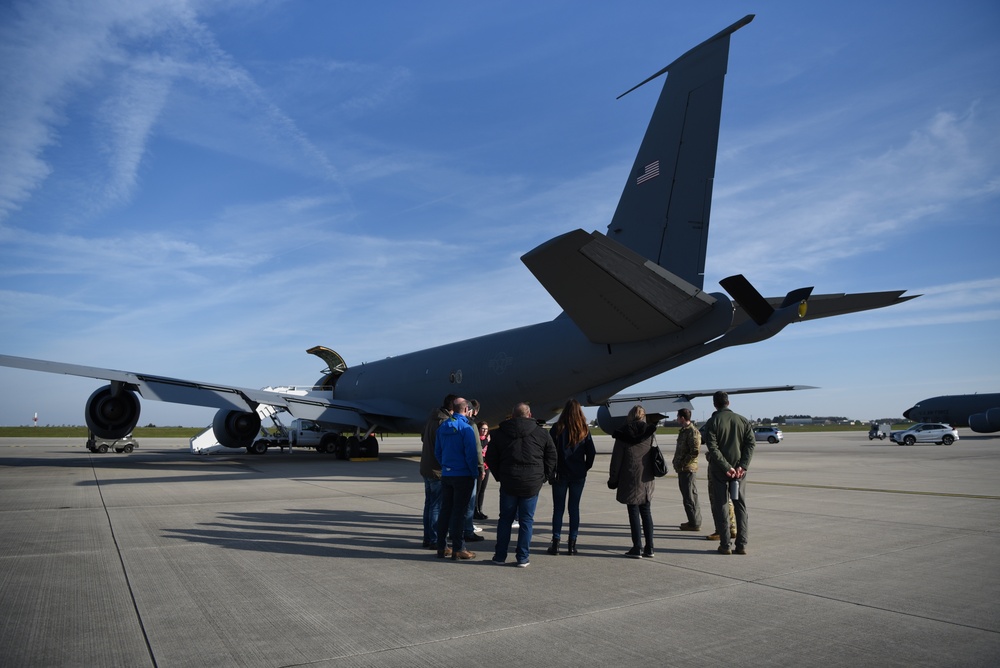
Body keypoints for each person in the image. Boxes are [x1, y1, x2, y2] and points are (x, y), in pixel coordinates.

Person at [486, 403, 556, 567]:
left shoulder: (500, 433)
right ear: (530, 414)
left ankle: (500, 556)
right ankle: (522, 557)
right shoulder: (541, 433)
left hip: (509, 481)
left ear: (513, 415)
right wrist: (543, 477)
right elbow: (552, 457)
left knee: (505, 520)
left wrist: (500, 476)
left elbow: (490, 457)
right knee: (526, 521)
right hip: (531, 483)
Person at [703, 391, 755, 555]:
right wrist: (742, 466)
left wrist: (726, 467)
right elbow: (750, 444)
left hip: (720, 471)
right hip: (739, 472)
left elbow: (713, 448)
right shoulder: (742, 420)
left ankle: (725, 545)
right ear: (728, 403)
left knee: (722, 506)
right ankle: (742, 544)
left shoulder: (713, 422)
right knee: (740, 506)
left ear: (715, 404)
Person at [435, 398, 484, 560]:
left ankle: (442, 546)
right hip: (462, 475)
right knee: (459, 513)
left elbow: (438, 451)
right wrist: (473, 473)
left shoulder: (442, 427)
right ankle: (458, 548)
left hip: (447, 474)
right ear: (466, 410)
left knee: (445, 511)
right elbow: (471, 455)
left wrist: (446, 465)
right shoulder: (466, 428)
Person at [547, 399, 596, 555]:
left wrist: (551, 470)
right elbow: (591, 452)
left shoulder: (557, 428)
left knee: (558, 509)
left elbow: (550, 452)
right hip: (578, 474)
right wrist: (585, 467)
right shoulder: (584, 430)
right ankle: (572, 544)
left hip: (560, 473)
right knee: (574, 509)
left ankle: (555, 543)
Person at [608, 404, 658, 558]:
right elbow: (655, 454)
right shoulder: (650, 433)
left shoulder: (622, 434)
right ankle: (650, 547)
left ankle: (637, 547)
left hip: (629, 477)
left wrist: (613, 479)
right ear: (643, 416)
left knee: (633, 512)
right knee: (646, 511)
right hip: (646, 477)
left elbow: (616, 460)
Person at [419, 394, 455, 549]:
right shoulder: (444, 423)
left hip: (426, 467)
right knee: (436, 506)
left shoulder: (431, 419)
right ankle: (434, 539)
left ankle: (427, 537)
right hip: (437, 470)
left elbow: (422, 437)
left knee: (429, 505)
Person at [672, 407, 702, 532]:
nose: (677, 419)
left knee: (689, 496)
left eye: (678, 416)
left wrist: (682, 464)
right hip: (683, 468)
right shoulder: (684, 431)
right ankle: (693, 520)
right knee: (688, 496)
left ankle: (694, 523)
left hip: (687, 469)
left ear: (682, 418)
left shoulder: (692, 432)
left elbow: (694, 451)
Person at [474, 421, 491, 520]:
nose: (484, 431)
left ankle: (480, 509)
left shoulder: (488, 439)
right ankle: (475, 510)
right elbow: (479, 450)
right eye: (482, 429)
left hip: (486, 467)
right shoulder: (478, 440)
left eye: (486, 429)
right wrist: (486, 442)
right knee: (477, 489)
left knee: (482, 490)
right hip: (479, 467)